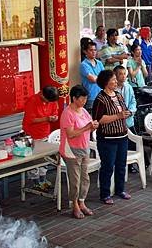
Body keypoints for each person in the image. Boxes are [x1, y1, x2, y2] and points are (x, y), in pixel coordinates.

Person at [59, 85, 99, 219]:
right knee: (75, 180)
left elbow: (88, 127)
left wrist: (92, 127)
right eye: (82, 99)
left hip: (84, 147)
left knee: (85, 178)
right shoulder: (67, 113)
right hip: (71, 149)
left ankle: (82, 202)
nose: (84, 101)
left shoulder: (83, 111)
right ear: (74, 98)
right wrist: (87, 127)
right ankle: (74, 204)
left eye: (86, 98)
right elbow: (70, 134)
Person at [92, 70, 132, 204]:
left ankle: (120, 190)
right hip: (107, 139)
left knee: (121, 165)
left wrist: (127, 113)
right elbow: (98, 119)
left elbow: (124, 109)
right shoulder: (100, 99)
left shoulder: (119, 95)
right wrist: (118, 116)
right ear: (105, 82)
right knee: (108, 166)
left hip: (122, 135)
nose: (116, 82)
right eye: (113, 80)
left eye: (116, 80)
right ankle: (105, 194)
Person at [80, 41, 104, 112]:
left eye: (95, 50)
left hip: (102, 95)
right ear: (85, 51)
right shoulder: (83, 65)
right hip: (91, 97)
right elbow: (92, 79)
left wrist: (99, 78)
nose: (93, 52)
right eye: (91, 50)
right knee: (92, 119)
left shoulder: (99, 63)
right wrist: (100, 78)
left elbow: (105, 77)